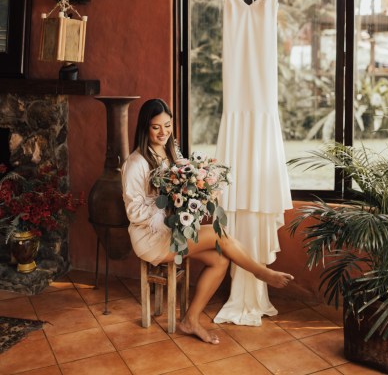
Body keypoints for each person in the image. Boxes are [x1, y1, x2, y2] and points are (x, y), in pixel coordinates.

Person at [122, 98, 294, 344]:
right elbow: (134, 212)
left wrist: (195, 195)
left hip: (174, 231)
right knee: (218, 234)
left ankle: (190, 320)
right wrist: (168, 205)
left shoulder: (171, 152)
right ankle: (261, 272)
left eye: (167, 125)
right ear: (145, 128)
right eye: (156, 127)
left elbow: (182, 189)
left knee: (220, 259)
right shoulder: (136, 163)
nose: (163, 132)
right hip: (150, 237)